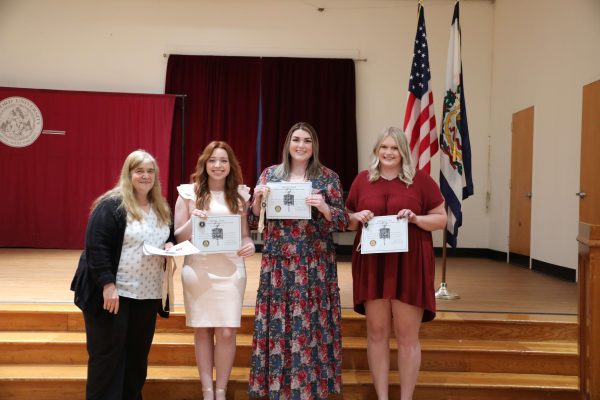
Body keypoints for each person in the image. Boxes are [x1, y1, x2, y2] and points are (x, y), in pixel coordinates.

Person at [248, 122, 348, 400]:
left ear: (314, 146)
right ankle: (276, 387)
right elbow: (255, 221)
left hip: (314, 265)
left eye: (307, 140)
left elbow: (343, 221)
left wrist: (325, 207)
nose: (301, 145)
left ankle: (311, 388)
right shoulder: (270, 175)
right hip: (278, 264)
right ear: (288, 144)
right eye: (296, 139)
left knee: (310, 325)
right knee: (279, 325)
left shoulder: (327, 178)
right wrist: (257, 201)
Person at [345, 127, 447, 400]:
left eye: (394, 148)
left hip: (409, 265)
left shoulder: (421, 181)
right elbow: (347, 219)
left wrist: (416, 219)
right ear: (377, 150)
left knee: (406, 336)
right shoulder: (362, 181)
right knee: (376, 334)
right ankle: (381, 396)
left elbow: (441, 219)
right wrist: (359, 215)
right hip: (373, 266)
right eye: (384, 147)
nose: (389, 153)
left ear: (403, 151)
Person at [70, 149, 175, 400]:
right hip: (113, 294)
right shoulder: (112, 205)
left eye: (150, 171)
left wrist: (170, 243)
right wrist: (107, 285)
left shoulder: (160, 206)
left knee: (137, 357)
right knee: (108, 357)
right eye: (139, 171)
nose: (145, 176)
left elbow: (165, 235)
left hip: (147, 294)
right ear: (128, 173)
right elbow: (96, 246)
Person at [174, 141, 255, 400]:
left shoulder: (240, 195)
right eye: (213, 160)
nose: (218, 165)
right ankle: (207, 391)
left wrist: (249, 244)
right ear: (204, 164)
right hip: (199, 268)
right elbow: (178, 237)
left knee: (227, 331)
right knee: (203, 329)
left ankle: (221, 390)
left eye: (223, 160)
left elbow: (244, 236)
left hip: (231, 269)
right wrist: (193, 220)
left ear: (230, 165)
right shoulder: (188, 193)